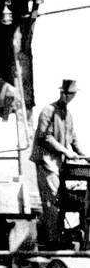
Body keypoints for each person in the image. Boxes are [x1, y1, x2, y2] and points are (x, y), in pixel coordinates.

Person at [30, 79, 88, 246]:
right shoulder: (48, 111)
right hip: (47, 162)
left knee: (61, 201)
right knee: (51, 202)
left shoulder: (67, 114)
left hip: (58, 163)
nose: (72, 97)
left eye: (74, 94)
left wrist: (84, 155)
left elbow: (73, 138)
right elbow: (44, 137)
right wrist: (65, 151)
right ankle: (52, 242)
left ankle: (58, 237)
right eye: (70, 94)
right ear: (63, 93)